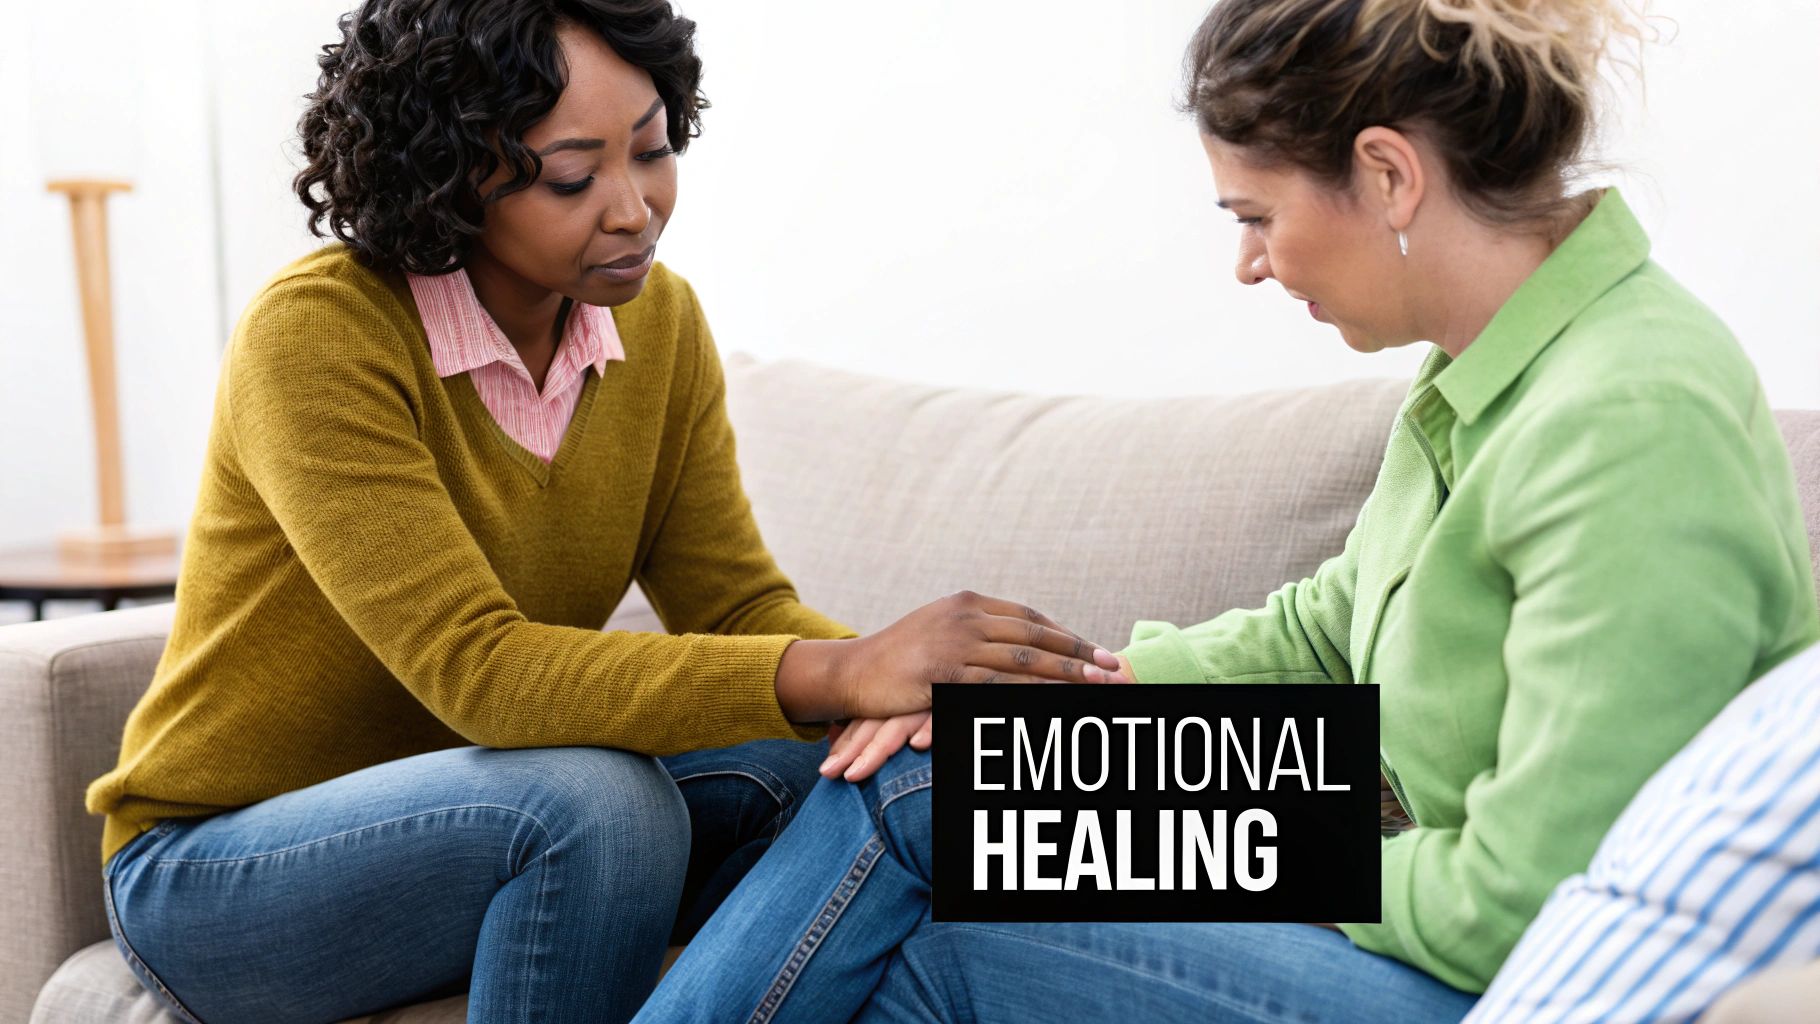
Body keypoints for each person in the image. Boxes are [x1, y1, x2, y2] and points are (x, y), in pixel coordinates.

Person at [631, 0, 1820, 1021]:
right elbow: (1329, 626)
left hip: (1492, 970)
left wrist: (1241, 836)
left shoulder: (1626, 416)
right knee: (931, 823)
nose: (1248, 263)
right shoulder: (1496, 367)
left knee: (929, 829)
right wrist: (1076, 694)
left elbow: (1517, 899)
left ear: (1387, 174)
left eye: (1255, 216)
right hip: (1405, 874)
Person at [84, 2, 1126, 1022]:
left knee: (841, 768)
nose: (634, 209)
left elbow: (735, 606)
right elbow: (480, 672)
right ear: (447, 175)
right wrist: (847, 669)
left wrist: (935, 699)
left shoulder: (659, 325)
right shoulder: (320, 333)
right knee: (599, 805)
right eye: (573, 177)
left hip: (490, 814)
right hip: (220, 875)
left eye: (654, 150)